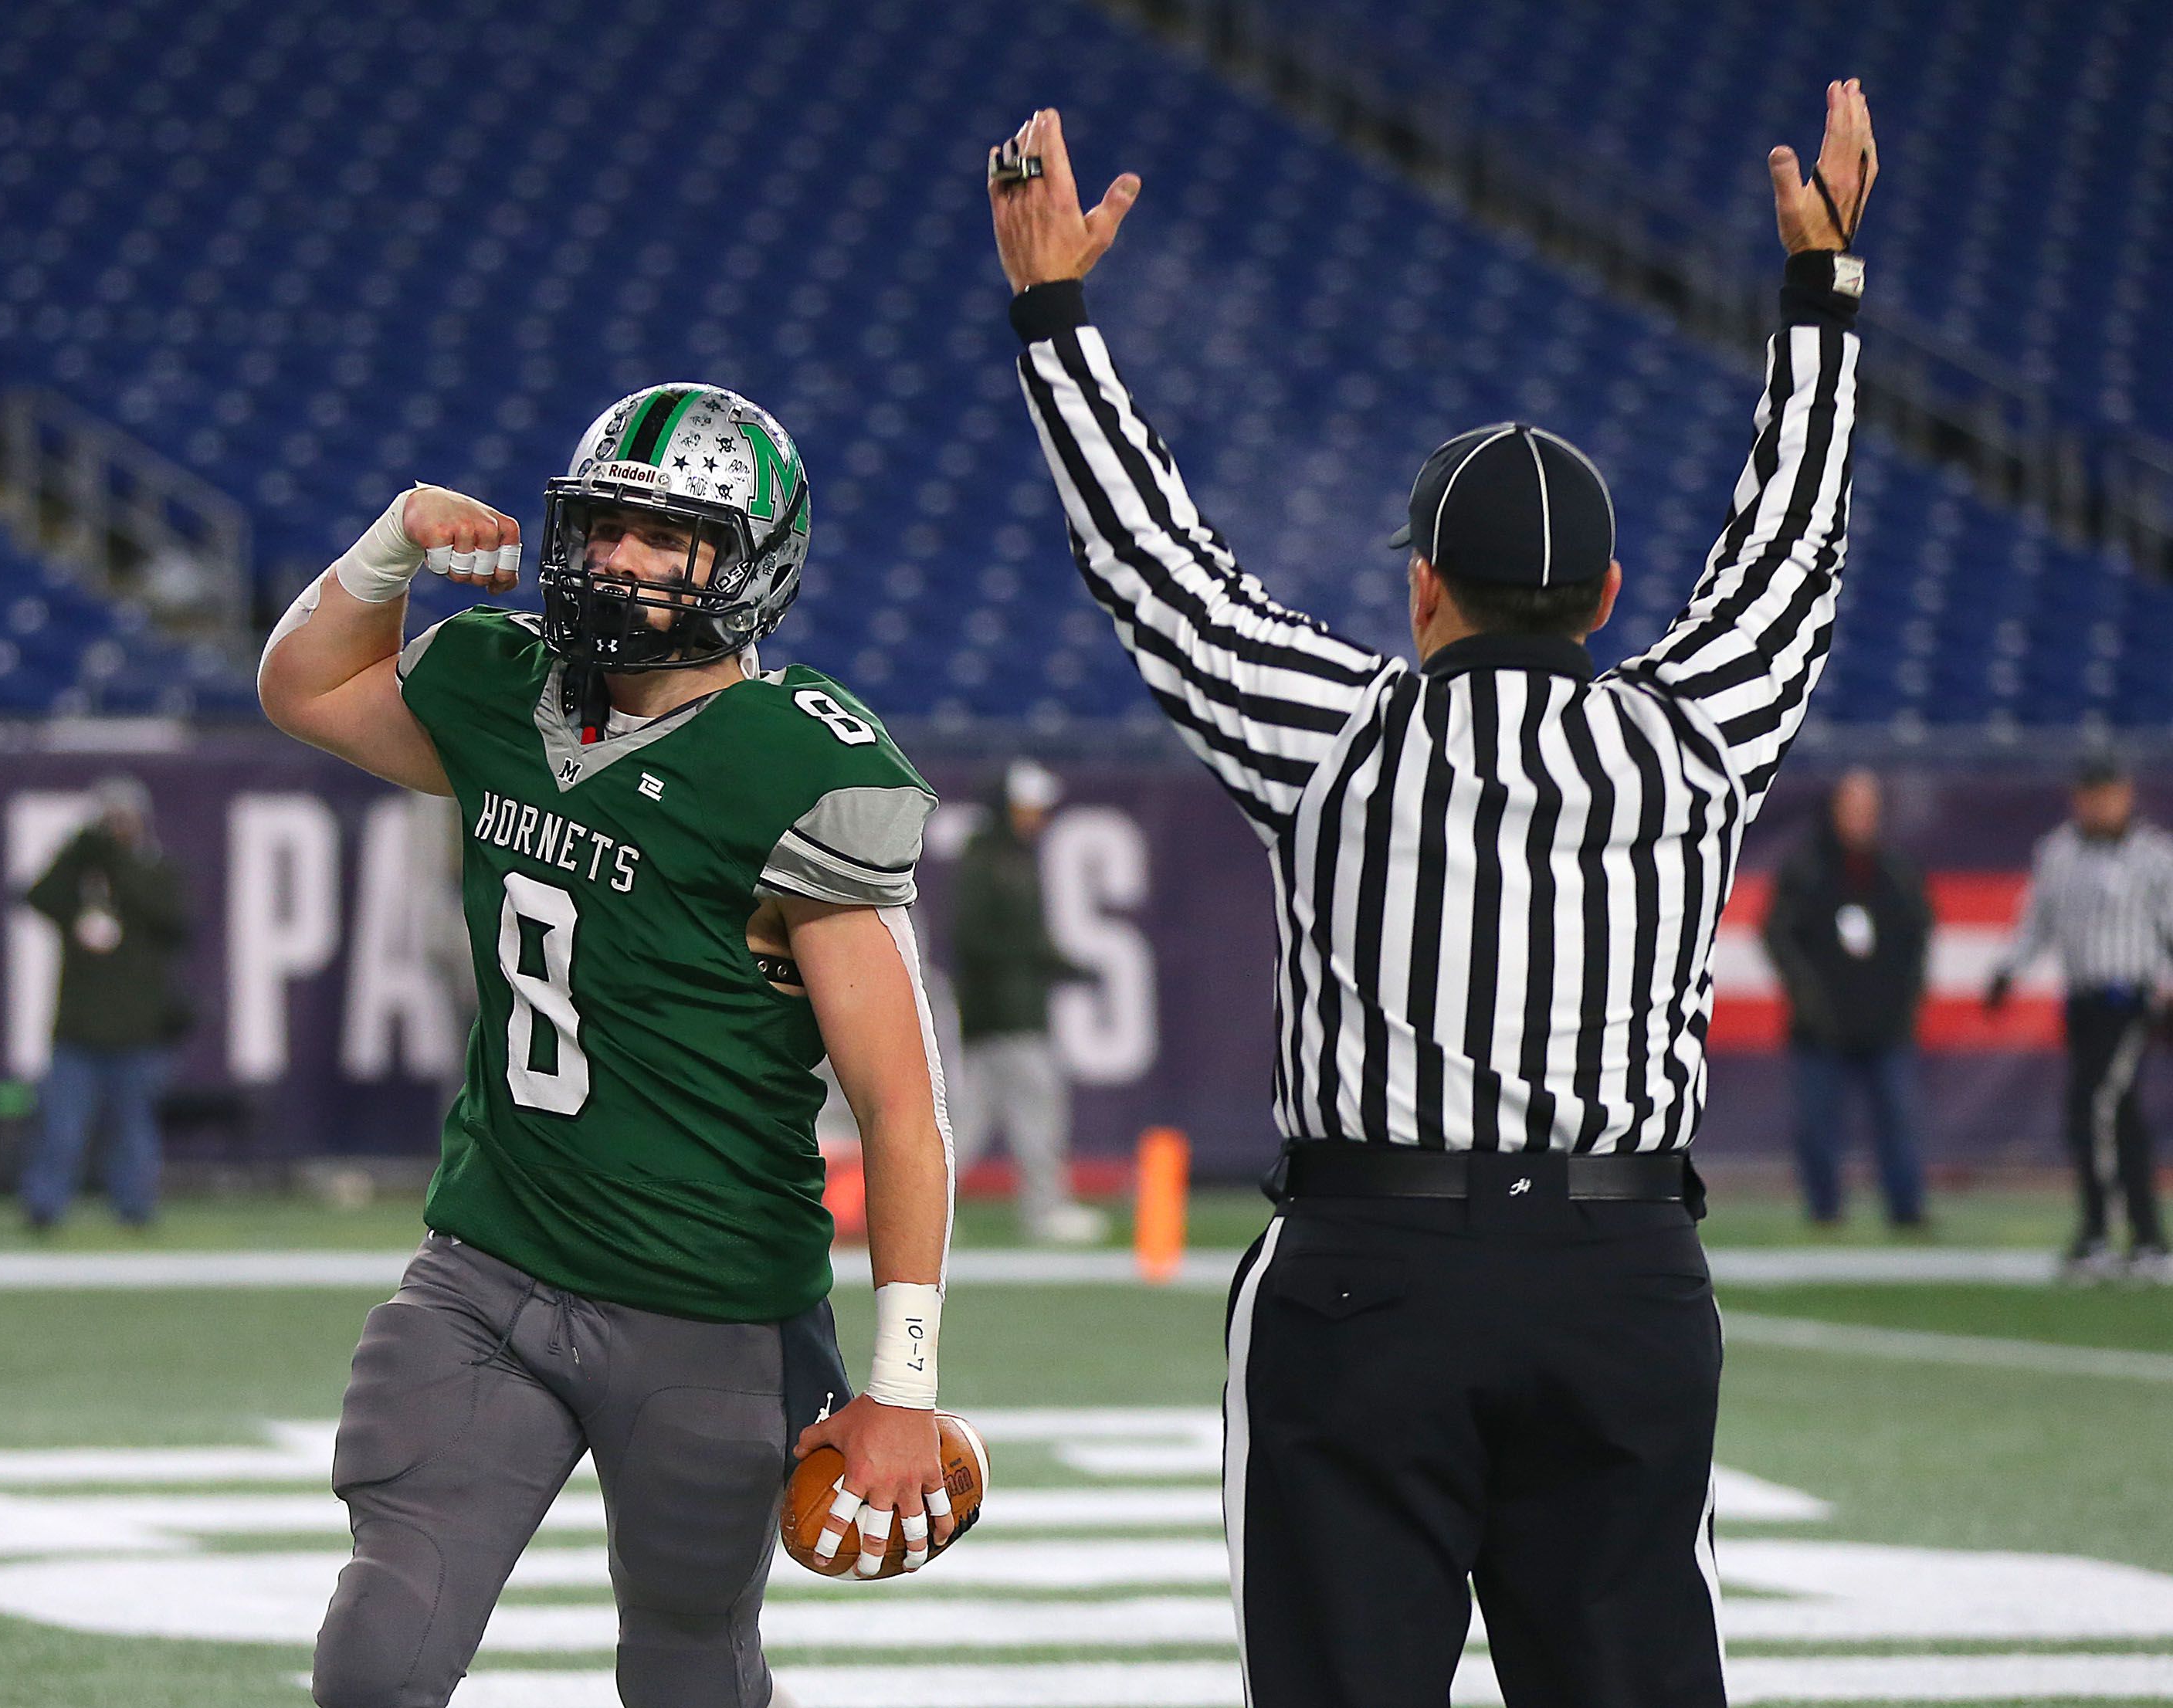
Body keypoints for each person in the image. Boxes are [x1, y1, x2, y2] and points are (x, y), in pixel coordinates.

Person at [992, 82, 1871, 1708]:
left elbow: (1154, 559)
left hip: (1367, 1278)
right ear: (1608, 596)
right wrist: (1822, 297)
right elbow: (1791, 550)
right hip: (1622, 1280)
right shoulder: (1691, 745)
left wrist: (1056, 317)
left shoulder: (1341, 735)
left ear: (1420, 587)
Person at [258, 385, 958, 1708]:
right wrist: (391, 543)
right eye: (607, 525)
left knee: (689, 1675)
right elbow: (302, 684)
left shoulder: (798, 765)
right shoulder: (500, 685)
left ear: (751, 566)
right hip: (489, 1269)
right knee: (376, 1659)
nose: (624, 559)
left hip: (710, 1308)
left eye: (668, 536)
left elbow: (900, 1108)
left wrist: (902, 1381)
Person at [1988, 757, 2173, 1284]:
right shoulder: (2058, 853)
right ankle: (2146, 1238)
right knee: (2112, 1118)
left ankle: (2101, 1231)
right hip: (2084, 1003)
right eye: (2090, 794)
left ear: (2127, 794)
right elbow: (2036, 924)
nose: (2098, 805)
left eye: (2108, 793)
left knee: (2098, 1108)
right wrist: (2006, 972)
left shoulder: (2154, 858)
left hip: (2131, 1001)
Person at [1761, 768, 1932, 1230]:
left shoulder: (1896, 869)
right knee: (1818, 1124)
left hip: (1885, 1025)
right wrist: (1808, 998)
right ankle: (1825, 1209)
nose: (1860, 819)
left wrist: (1905, 1000)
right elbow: (1778, 934)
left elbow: (1919, 934)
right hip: (1823, 1027)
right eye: (1852, 808)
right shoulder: (1806, 869)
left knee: (1898, 1120)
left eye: (1868, 809)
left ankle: (1906, 1209)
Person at [19, 776, 192, 1230]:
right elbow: (36, 896)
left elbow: (172, 920)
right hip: (79, 1029)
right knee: (62, 1131)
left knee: (134, 1133)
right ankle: (45, 1206)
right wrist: (78, 852)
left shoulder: (153, 871)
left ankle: (135, 1209)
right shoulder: (81, 879)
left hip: (136, 1030)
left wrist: (117, 860)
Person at [948, 757, 1106, 1244]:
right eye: (1027, 807)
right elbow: (975, 938)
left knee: (967, 1124)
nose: (1036, 817)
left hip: (998, 1013)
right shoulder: (990, 863)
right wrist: (1043, 960)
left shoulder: (1004, 859)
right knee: (1035, 1110)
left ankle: (927, 1212)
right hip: (1006, 1014)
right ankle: (1044, 1208)